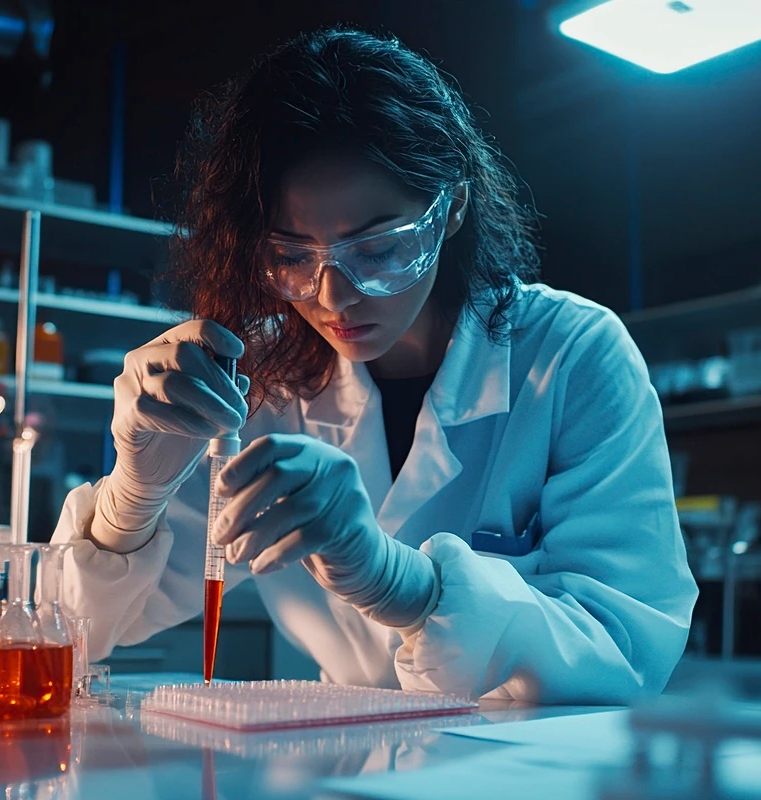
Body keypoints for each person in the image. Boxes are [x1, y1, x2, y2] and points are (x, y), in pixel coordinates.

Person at [50, 26, 698, 703]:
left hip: (519, 754)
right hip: (343, 748)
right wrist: (134, 497)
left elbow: (628, 651)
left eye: (379, 249)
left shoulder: (571, 354)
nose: (333, 296)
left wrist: (406, 586)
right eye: (293, 256)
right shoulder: (261, 380)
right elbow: (78, 631)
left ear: (451, 208)